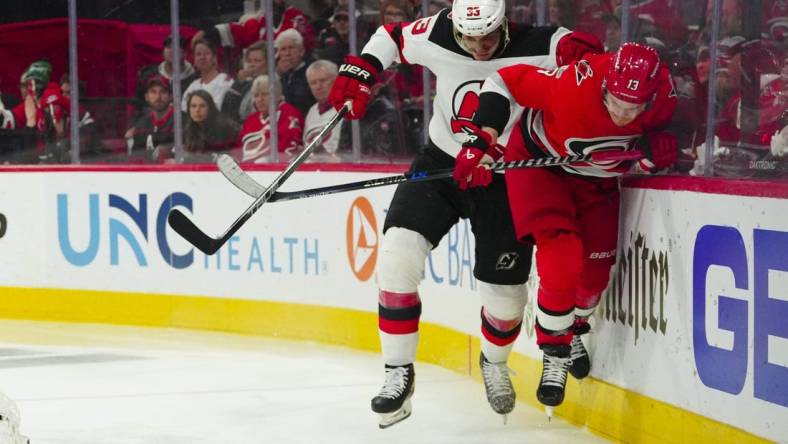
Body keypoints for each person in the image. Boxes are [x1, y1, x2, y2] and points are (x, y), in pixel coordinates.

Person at [327, 0, 602, 427]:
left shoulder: (540, 42)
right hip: (440, 166)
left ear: (505, 24)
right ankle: (397, 373)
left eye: (488, 37)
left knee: (507, 301)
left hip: (507, 177)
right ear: (455, 26)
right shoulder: (436, 32)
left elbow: (592, 63)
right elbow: (392, 38)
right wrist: (361, 70)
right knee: (397, 258)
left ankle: (493, 361)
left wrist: (590, 64)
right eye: (468, 38)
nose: (478, 47)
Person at [465, 42, 677, 415]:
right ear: (605, 85)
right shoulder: (575, 84)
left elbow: (685, 140)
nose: (623, 115)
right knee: (561, 258)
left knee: (593, 279)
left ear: (653, 97)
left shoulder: (666, 98)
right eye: (615, 102)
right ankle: (555, 352)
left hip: (595, 179)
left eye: (635, 108)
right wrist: (483, 139)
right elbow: (504, 81)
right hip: (540, 164)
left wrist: (661, 148)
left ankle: (572, 327)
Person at [238, 74, 304, 163]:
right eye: (256, 95)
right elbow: (239, 149)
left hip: (276, 169)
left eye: (265, 94)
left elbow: (289, 149)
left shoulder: (289, 114)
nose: (260, 99)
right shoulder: (250, 120)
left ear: (277, 94)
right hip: (249, 169)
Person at [124, 75, 175, 162]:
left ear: (170, 96)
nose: (158, 97)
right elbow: (135, 160)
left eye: (163, 92)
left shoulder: (181, 121)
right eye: (153, 92)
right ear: (146, 97)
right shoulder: (140, 124)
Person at [181, 90, 239, 162]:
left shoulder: (223, 127)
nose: (197, 110)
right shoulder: (188, 129)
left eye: (202, 106)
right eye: (193, 106)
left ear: (210, 108)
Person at [181, 39, 234, 114]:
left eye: (207, 53)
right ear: (194, 60)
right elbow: (184, 111)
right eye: (198, 54)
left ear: (214, 58)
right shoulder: (192, 86)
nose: (202, 57)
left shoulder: (225, 81)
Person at [276, 29, 315, 117]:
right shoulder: (280, 73)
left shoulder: (312, 71)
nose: (287, 53)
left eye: (291, 48)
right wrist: (278, 74)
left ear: (301, 51)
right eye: (283, 49)